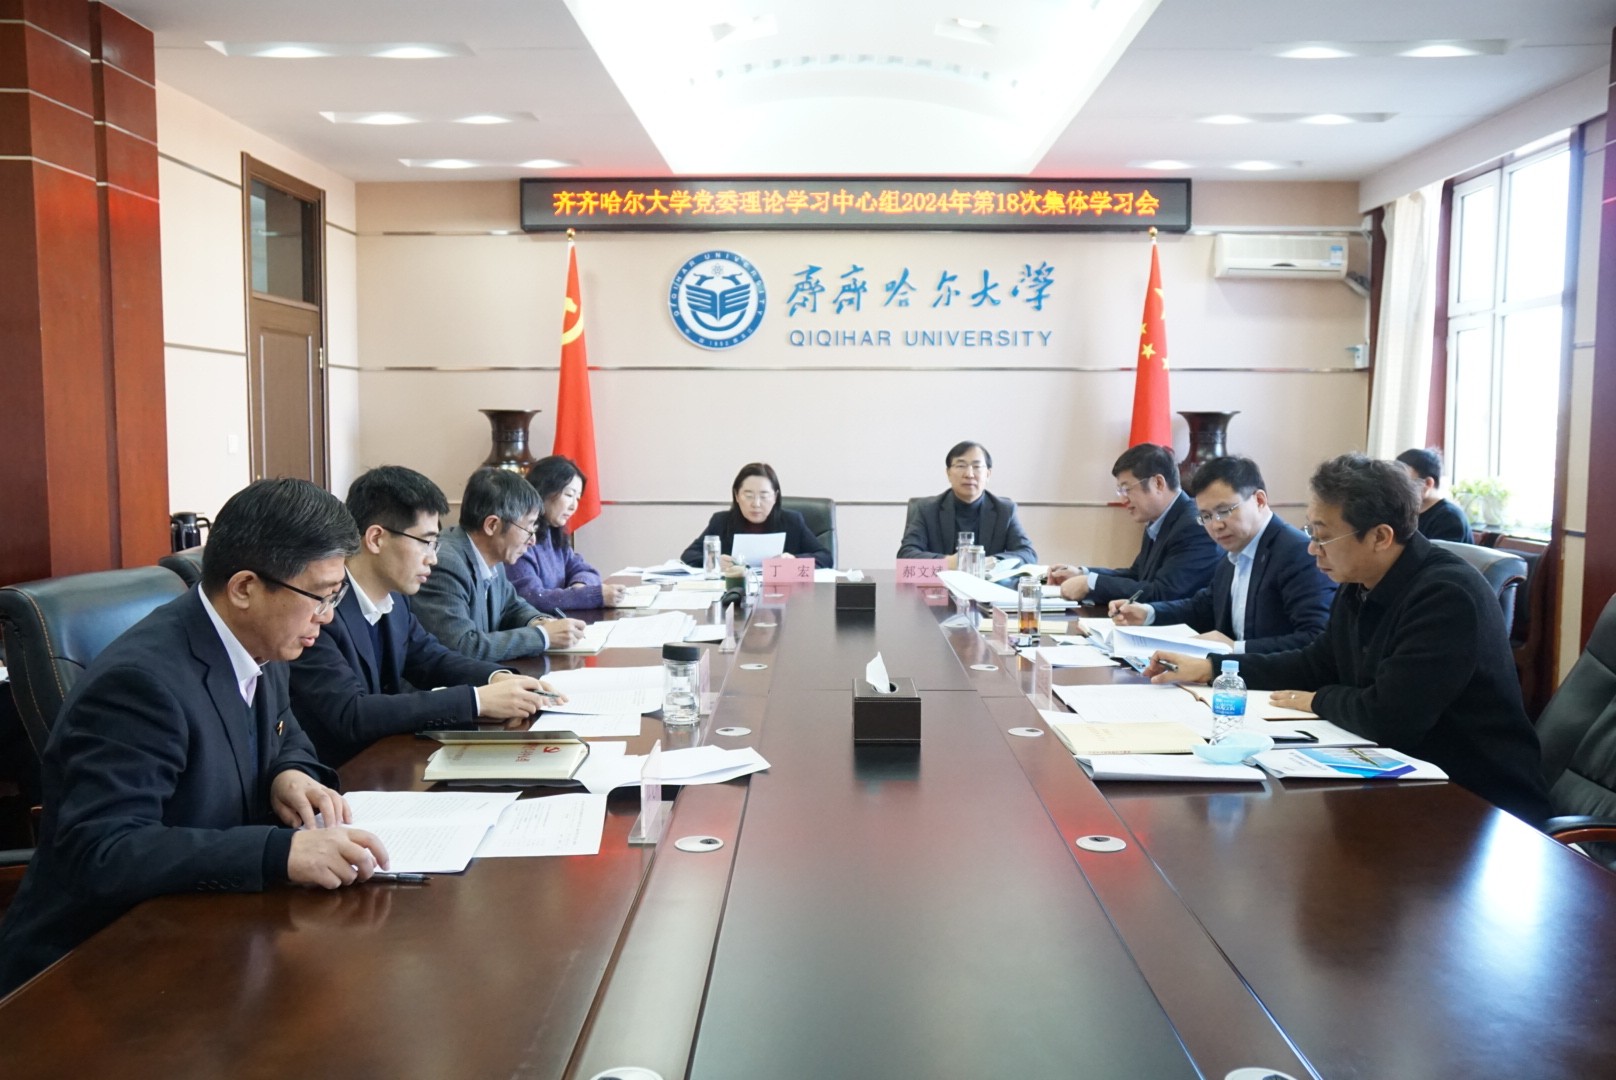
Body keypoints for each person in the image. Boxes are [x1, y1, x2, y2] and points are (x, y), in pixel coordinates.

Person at [0, 479, 392, 997]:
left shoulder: (263, 639)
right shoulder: (140, 685)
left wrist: (290, 772)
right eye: (319, 596)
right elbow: (104, 850)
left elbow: (286, 731)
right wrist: (278, 852)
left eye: (335, 594)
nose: (328, 616)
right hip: (91, 969)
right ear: (245, 588)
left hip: (204, 928)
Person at [1144, 453, 1551, 825]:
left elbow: (1389, 718)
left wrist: (1315, 700)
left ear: (1380, 536)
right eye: (1310, 531)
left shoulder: (1446, 596)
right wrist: (1213, 668)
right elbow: (1316, 662)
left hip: (1478, 806)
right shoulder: (1360, 582)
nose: (1312, 549)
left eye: (1323, 536)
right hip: (1404, 781)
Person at [289, 465, 566, 766]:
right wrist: (476, 701)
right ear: (376, 538)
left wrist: (496, 677)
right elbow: (352, 713)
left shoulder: (395, 598)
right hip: (338, 775)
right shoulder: (320, 609)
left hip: (386, 762)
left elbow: (430, 658)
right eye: (426, 542)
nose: (433, 558)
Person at [1109, 456, 1335, 653]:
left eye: (1224, 511)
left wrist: (1235, 648)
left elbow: (1315, 639)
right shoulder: (1234, 555)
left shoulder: (1297, 553)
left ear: (1259, 500)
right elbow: (1204, 607)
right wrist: (1148, 613)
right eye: (1206, 516)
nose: (1216, 525)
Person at [414, 468, 587, 661]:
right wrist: (543, 636)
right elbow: (461, 647)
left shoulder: (494, 557)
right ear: (492, 525)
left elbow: (513, 606)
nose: (532, 540)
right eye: (528, 528)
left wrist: (540, 622)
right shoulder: (446, 564)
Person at [1048, 443, 1220, 605]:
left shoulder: (1193, 526)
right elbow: (1137, 575)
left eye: (1127, 489)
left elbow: (1164, 593)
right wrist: (1083, 574)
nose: (1123, 499)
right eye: (1120, 491)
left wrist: (1091, 584)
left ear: (1158, 483)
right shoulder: (1158, 520)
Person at [509, 455, 626, 610]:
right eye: (569, 495)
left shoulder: (553, 533)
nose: (573, 506)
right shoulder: (520, 538)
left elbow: (586, 570)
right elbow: (531, 598)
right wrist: (588, 596)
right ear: (544, 490)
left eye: (577, 498)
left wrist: (580, 587)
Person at [896, 441, 1036, 568]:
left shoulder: (1005, 510)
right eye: (961, 466)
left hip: (986, 586)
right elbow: (905, 555)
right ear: (948, 473)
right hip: (937, 586)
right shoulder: (926, 509)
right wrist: (948, 562)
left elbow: (1028, 554)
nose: (969, 474)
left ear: (988, 474)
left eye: (977, 466)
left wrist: (993, 561)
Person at [680, 462, 833, 569]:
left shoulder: (792, 522)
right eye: (748, 496)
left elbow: (825, 557)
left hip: (783, 596)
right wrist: (715, 561)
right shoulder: (721, 521)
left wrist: (794, 560)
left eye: (764, 496)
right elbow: (689, 555)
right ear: (737, 495)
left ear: (775, 496)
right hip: (734, 594)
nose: (756, 503)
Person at [1395, 447, 1474, 543]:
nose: (1396, 486)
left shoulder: (1449, 518)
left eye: (1403, 481)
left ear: (1428, 483)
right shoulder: (1403, 512)